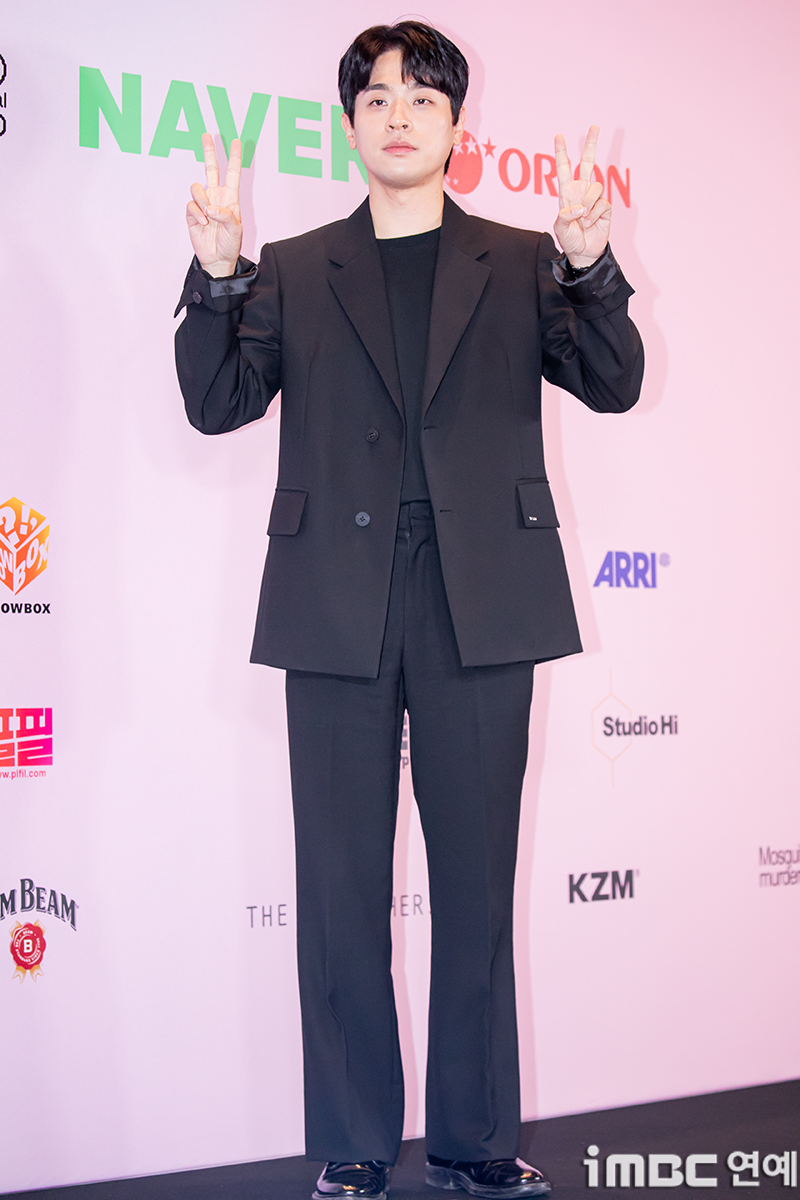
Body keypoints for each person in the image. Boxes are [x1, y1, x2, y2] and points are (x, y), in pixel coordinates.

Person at [175, 21, 643, 1200]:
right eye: (377, 97)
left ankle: (475, 1142)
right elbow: (217, 402)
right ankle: (351, 1143)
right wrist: (218, 274)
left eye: (421, 98)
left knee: (475, 887)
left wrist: (588, 262)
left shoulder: (521, 259)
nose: (397, 115)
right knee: (339, 887)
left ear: (453, 126)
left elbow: (613, 380)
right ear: (349, 125)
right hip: (334, 599)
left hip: (478, 600)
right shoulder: (293, 266)